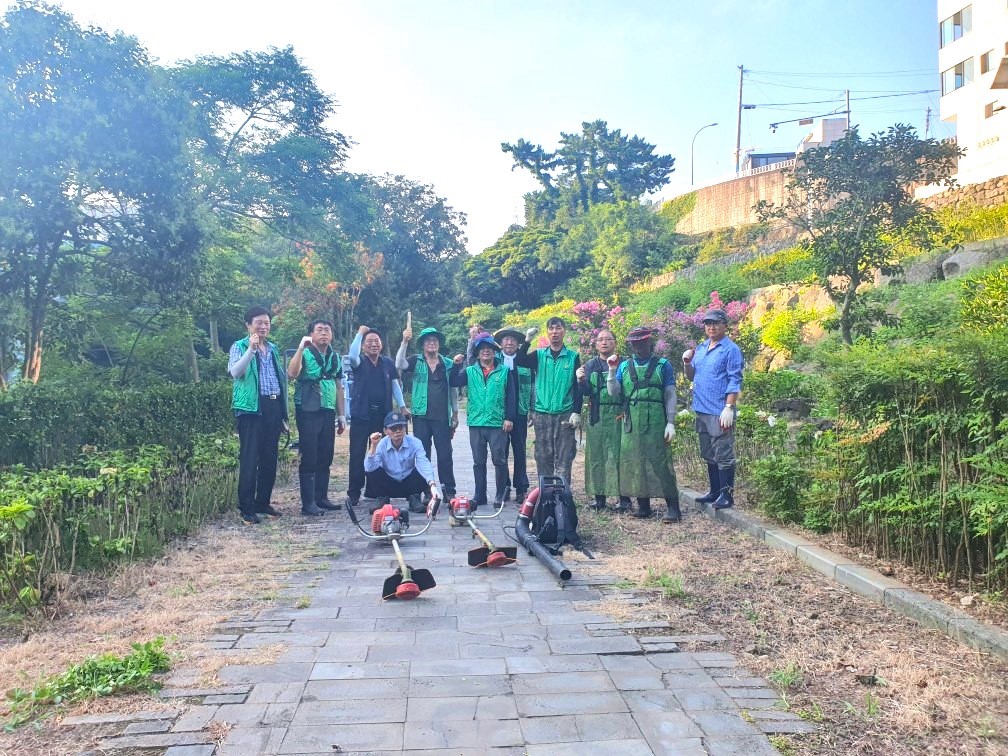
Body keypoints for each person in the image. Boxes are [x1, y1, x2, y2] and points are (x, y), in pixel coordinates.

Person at [606, 326, 682, 523]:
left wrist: (671, 422)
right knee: (634, 461)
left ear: (650, 342)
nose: (638, 345)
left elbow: (670, 394)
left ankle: (673, 508)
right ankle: (643, 506)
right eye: (634, 342)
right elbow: (614, 392)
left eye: (641, 341)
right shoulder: (623, 366)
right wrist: (611, 372)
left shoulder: (663, 365)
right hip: (631, 421)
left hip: (656, 420)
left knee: (660, 462)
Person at [228, 306, 288, 525]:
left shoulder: (272, 348)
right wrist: (251, 350)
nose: (263, 326)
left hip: (272, 406)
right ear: (248, 325)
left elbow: (280, 382)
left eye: (267, 323)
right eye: (259, 322)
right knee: (250, 458)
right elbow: (236, 372)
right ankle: (246, 507)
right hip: (251, 408)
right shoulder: (240, 346)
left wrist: (283, 415)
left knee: (269, 458)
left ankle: (263, 501)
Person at [681, 308, 744, 510]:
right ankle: (715, 491)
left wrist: (729, 406)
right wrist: (687, 363)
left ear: (725, 325)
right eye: (708, 323)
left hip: (719, 410)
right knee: (709, 453)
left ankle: (727, 495)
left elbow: (735, 379)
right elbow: (692, 376)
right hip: (701, 408)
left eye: (716, 323)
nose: (711, 327)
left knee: (723, 453)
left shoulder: (730, 349)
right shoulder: (701, 347)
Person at [450, 333, 517, 511]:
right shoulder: (470, 371)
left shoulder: (504, 371)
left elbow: (511, 396)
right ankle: (479, 494)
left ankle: (500, 493)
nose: (486, 352)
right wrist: (456, 365)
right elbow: (454, 381)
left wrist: (509, 418)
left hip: (497, 423)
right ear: (478, 353)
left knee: (499, 460)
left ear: (495, 352)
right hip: (476, 422)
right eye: (482, 349)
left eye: (489, 349)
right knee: (478, 461)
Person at [516, 316, 582, 492]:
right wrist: (527, 340)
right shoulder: (539, 355)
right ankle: (545, 497)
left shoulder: (573, 357)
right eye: (551, 328)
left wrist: (577, 412)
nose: (555, 332)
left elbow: (578, 386)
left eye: (558, 328)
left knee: (564, 458)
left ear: (564, 331)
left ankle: (562, 498)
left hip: (565, 414)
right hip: (542, 414)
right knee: (543, 457)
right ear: (547, 332)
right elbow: (519, 360)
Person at [396, 325, 458, 511]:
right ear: (423, 345)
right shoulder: (416, 361)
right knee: (422, 455)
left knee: (445, 454)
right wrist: (404, 342)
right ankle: (426, 491)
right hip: (421, 416)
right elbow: (399, 364)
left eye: (435, 341)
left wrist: (455, 412)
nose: (432, 343)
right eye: (428, 341)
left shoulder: (447, 363)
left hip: (442, 417)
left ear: (439, 344)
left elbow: (453, 389)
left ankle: (449, 491)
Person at [288, 319, 346, 516]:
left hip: (328, 409)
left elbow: (339, 386)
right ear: (311, 334)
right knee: (310, 455)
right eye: (319, 330)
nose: (324, 333)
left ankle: (322, 498)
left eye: (327, 330)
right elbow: (292, 373)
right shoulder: (304, 352)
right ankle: (308, 503)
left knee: (326, 454)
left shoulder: (335, 357)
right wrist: (299, 348)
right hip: (307, 409)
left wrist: (342, 415)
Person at [346, 325, 408, 508]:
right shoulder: (359, 362)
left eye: (376, 341)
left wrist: (403, 406)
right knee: (357, 455)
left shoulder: (387, 363)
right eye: (369, 342)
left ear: (381, 345)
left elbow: (395, 386)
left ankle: (375, 492)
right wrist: (359, 333)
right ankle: (354, 492)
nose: (373, 344)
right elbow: (351, 356)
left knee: (380, 454)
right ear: (363, 346)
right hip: (361, 415)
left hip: (382, 416)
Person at [577, 329, 632, 513]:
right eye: (600, 340)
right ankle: (599, 498)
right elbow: (585, 392)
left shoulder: (624, 364)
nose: (604, 342)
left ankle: (624, 499)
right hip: (597, 415)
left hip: (618, 414)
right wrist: (582, 381)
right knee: (596, 456)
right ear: (595, 344)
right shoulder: (590, 365)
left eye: (608, 339)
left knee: (620, 456)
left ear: (615, 343)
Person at [363, 411, 442, 513]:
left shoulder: (415, 442)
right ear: (385, 431)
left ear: (405, 429)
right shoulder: (381, 444)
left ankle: (414, 498)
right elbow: (369, 468)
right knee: (373, 469)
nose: (398, 431)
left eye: (401, 427)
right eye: (393, 428)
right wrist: (373, 445)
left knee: (422, 466)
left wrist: (433, 485)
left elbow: (424, 463)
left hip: (409, 482)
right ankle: (381, 498)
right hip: (388, 483)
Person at [494, 327, 532, 504]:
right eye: (506, 339)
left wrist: (532, 408)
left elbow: (533, 386)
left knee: (520, 450)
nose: (509, 343)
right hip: (499, 413)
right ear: (500, 343)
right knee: (500, 452)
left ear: (518, 343)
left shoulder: (525, 360)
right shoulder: (495, 360)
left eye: (513, 340)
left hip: (521, 412)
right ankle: (504, 487)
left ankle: (521, 488)